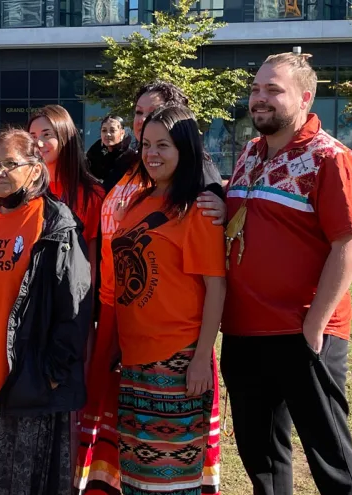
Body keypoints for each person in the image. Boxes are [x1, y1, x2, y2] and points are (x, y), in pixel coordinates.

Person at [222, 52, 352, 495]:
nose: (259, 99)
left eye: (273, 90)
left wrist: (314, 325)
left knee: (330, 457)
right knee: (261, 459)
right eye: (255, 89)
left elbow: (349, 244)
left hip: (304, 332)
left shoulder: (331, 158)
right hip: (245, 333)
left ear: (306, 97)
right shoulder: (250, 154)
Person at [77, 81, 226, 495]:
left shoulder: (196, 208)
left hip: (176, 359)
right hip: (133, 357)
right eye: (146, 145)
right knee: (136, 473)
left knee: (172, 479)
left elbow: (216, 288)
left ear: (186, 150)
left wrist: (199, 359)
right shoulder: (138, 200)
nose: (152, 154)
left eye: (164, 145)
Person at [0, 128, 93, 495]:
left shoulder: (55, 222)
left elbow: (75, 305)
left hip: (31, 383)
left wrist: (52, 374)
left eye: (8, 164)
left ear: (34, 168)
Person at [28, 104, 106, 267]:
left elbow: (90, 256)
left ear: (64, 135)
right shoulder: (25, 190)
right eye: (33, 137)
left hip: (70, 284)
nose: (39, 144)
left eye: (46, 135)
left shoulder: (91, 194)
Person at [85, 114, 134, 191]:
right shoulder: (95, 152)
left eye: (112, 130)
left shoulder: (130, 157)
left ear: (122, 133)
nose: (107, 134)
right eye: (104, 130)